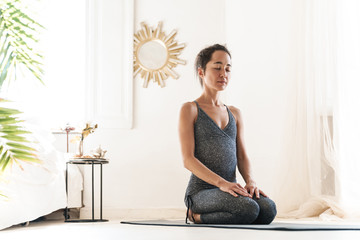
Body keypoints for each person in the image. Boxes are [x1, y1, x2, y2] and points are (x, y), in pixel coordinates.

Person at [178, 44, 277, 224]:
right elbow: (188, 160)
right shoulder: (190, 109)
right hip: (201, 192)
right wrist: (222, 183)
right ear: (201, 72)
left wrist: (250, 181)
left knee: (268, 209)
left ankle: (241, 211)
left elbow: (242, 155)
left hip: (231, 190)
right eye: (217, 68)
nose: (223, 74)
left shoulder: (235, 113)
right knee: (248, 209)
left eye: (228, 69)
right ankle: (195, 215)